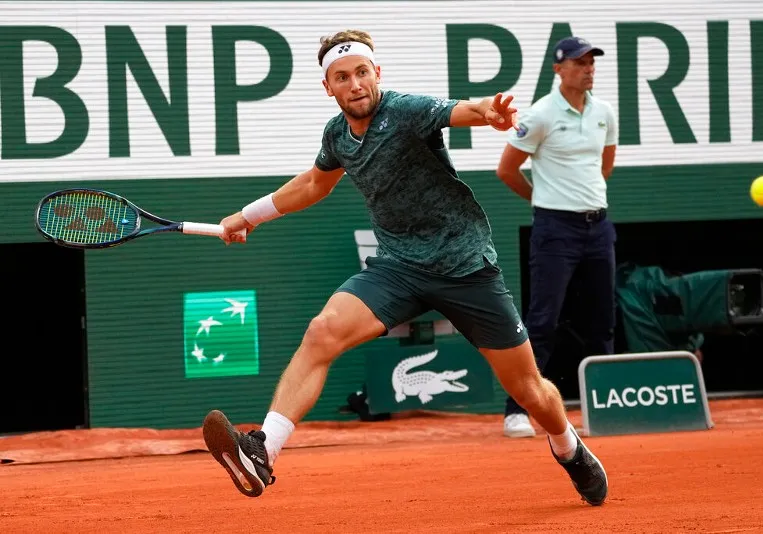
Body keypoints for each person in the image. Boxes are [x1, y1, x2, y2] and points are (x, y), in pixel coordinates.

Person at [202, 29, 608, 506]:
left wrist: (489, 113)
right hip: (398, 266)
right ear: (328, 87)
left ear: (377, 74)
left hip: (465, 266)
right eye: (342, 77)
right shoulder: (337, 135)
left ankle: (568, 447)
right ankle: (263, 453)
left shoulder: (407, 110)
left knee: (529, 390)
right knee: (322, 332)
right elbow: (314, 183)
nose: (355, 84)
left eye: (361, 73)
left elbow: (463, 110)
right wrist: (248, 216)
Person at [495, 36, 618, 438]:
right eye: (580, 63)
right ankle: (517, 411)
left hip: (598, 228)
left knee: (603, 321)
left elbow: (605, 163)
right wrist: (544, 200)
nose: (588, 69)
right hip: (555, 230)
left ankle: (605, 407)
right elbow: (507, 170)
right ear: (558, 69)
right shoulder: (541, 114)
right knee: (542, 320)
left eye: (591, 63)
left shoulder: (604, 112)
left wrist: (585, 199)